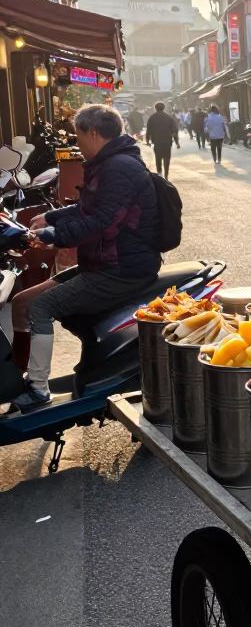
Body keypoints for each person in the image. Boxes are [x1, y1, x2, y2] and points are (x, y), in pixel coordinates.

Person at [6, 104, 160, 410]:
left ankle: (38, 390)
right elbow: (88, 208)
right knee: (22, 302)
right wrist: (51, 218)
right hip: (101, 262)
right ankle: (19, 377)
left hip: (120, 269)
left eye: (77, 136)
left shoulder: (119, 167)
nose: (76, 143)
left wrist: (51, 236)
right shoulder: (110, 162)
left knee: (39, 307)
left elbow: (101, 222)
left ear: (93, 133)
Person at [145, 100, 180, 179]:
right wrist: (177, 142)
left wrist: (147, 141)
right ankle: (166, 174)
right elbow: (174, 131)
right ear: (164, 108)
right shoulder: (169, 117)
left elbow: (148, 130)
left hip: (157, 142)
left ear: (155, 108)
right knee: (167, 159)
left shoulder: (152, 118)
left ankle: (160, 174)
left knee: (158, 158)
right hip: (167, 141)